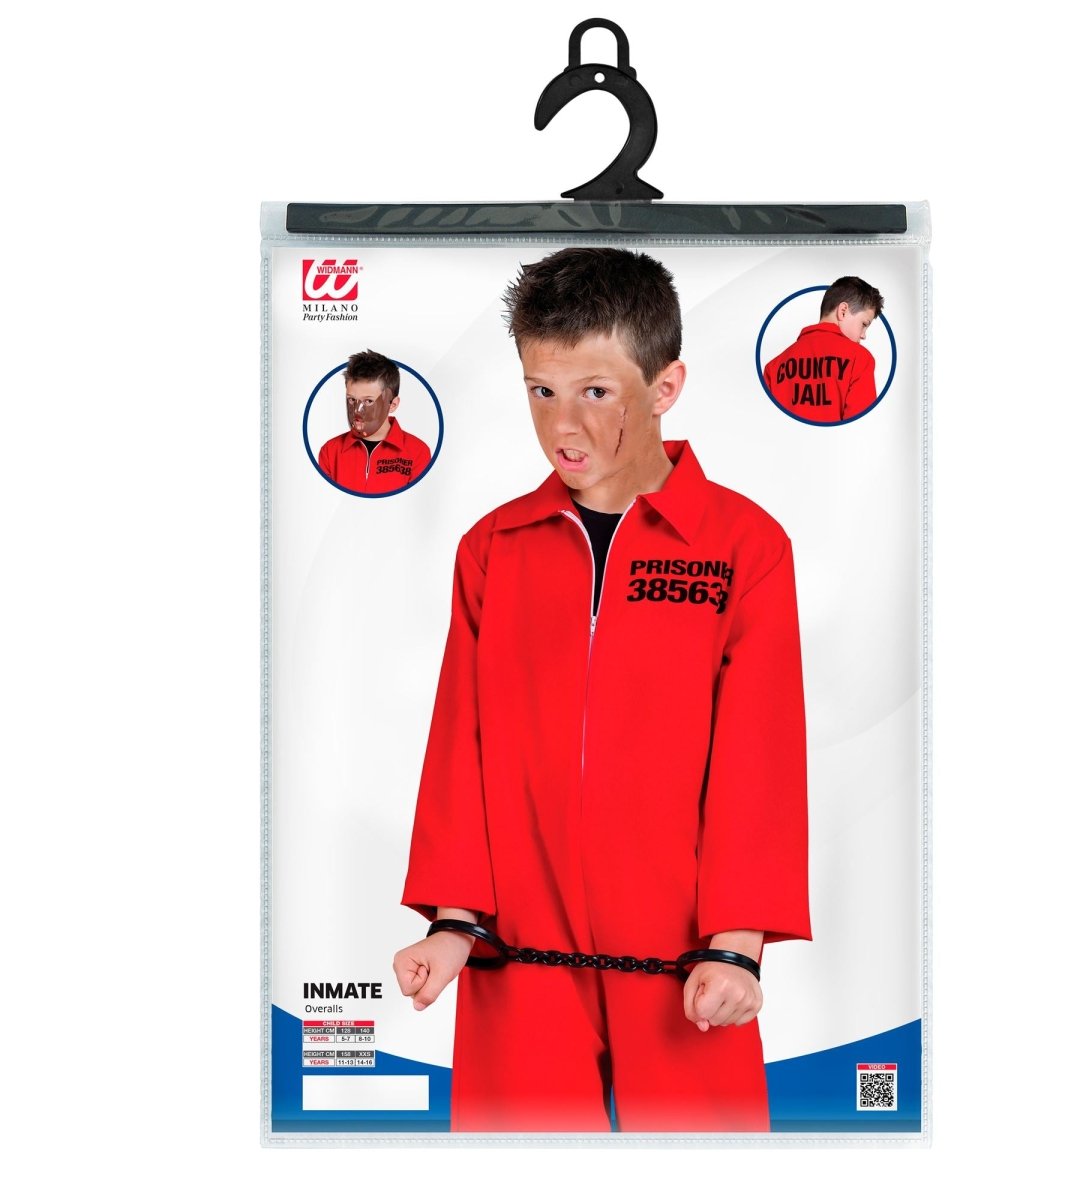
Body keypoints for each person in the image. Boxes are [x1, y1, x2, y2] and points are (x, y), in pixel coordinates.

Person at [393, 248, 809, 1133]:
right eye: (541, 391)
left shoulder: (744, 548)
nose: (562, 424)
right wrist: (453, 925)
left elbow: (760, 757)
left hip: (687, 964)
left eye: (594, 391)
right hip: (517, 957)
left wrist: (738, 949)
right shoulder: (493, 550)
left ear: (665, 388)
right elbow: (461, 744)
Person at [762, 276, 884, 423]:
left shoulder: (773, 367)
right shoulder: (860, 359)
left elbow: (765, 425)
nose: (863, 335)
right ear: (843, 311)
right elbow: (860, 426)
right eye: (864, 324)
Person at [317, 349, 432, 493]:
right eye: (351, 399)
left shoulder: (418, 452)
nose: (357, 411)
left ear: (392, 405)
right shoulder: (330, 452)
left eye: (368, 401)